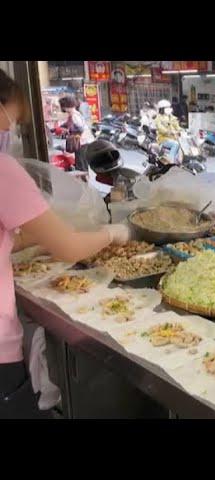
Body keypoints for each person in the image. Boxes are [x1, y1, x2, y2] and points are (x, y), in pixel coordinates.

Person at [0, 70, 130, 418]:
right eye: (13, 117)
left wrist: (30, 239)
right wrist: (112, 234)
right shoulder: (3, 170)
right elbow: (70, 249)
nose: (12, 128)